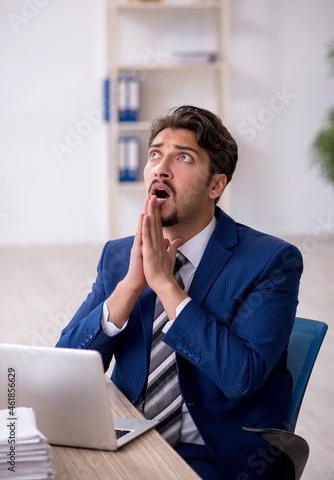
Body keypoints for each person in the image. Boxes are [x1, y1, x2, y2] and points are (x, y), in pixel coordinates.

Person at [56, 105, 303, 479]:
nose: (161, 166)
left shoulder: (270, 261)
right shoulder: (119, 255)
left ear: (216, 185)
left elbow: (241, 377)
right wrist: (130, 286)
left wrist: (166, 286)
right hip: (127, 439)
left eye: (182, 157)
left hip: (218, 456)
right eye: (155, 153)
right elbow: (64, 370)